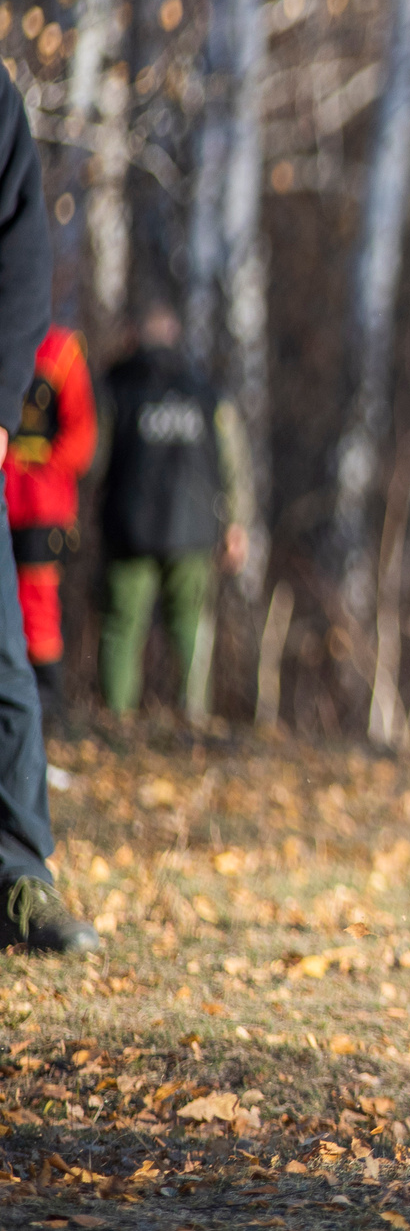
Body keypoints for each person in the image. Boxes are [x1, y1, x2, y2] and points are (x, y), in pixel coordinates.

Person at [0, 67, 98, 953]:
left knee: (16, 652)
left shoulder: (59, 351)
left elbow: (80, 438)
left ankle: (19, 879)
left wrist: (3, 421)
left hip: (26, 505)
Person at [95, 301, 250, 724]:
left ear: (135, 336)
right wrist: (236, 523)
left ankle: (116, 723)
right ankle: (193, 721)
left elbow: (94, 458)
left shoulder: (116, 387)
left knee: (122, 628)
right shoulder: (204, 391)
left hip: (129, 528)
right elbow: (233, 460)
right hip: (194, 530)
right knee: (191, 628)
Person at [5, 325, 95, 712]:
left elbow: (82, 438)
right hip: (9, 498)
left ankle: (48, 703)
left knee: (37, 603)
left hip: (43, 507)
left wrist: (35, 468)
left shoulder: (61, 350)